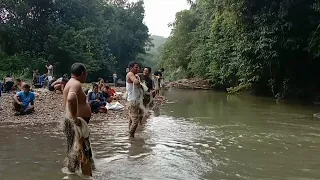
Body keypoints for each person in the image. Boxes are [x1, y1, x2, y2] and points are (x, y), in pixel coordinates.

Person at [62, 63, 94, 176]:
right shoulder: (76, 84)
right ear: (82, 73)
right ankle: (87, 177)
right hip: (76, 124)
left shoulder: (70, 83)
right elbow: (71, 98)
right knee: (84, 153)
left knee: (74, 150)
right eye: (86, 73)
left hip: (70, 122)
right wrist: (75, 118)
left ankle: (71, 175)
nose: (86, 76)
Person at [126, 61, 143, 138]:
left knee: (131, 119)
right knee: (135, 121)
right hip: (133, 101)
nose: (138, 68)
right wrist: (140, 85)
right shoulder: (130, 74)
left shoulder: (135, 74)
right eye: (136, 67)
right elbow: (135, 81)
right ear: (131, 68)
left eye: (138, 67)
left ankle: (129, 133)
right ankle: (131, 136)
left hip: (134, 100)